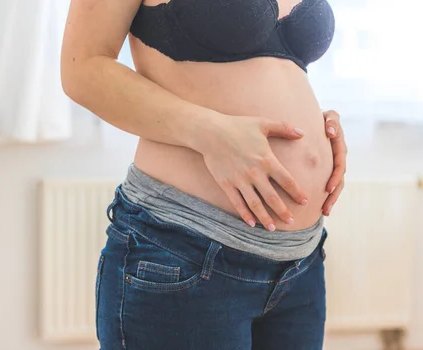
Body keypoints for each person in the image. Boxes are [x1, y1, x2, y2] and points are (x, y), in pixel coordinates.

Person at [61, 0, 347, 349]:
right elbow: (82, 68)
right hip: (184, 249)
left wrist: (318, 126)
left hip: (300, 264)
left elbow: (266, 68)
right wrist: (208, 131)